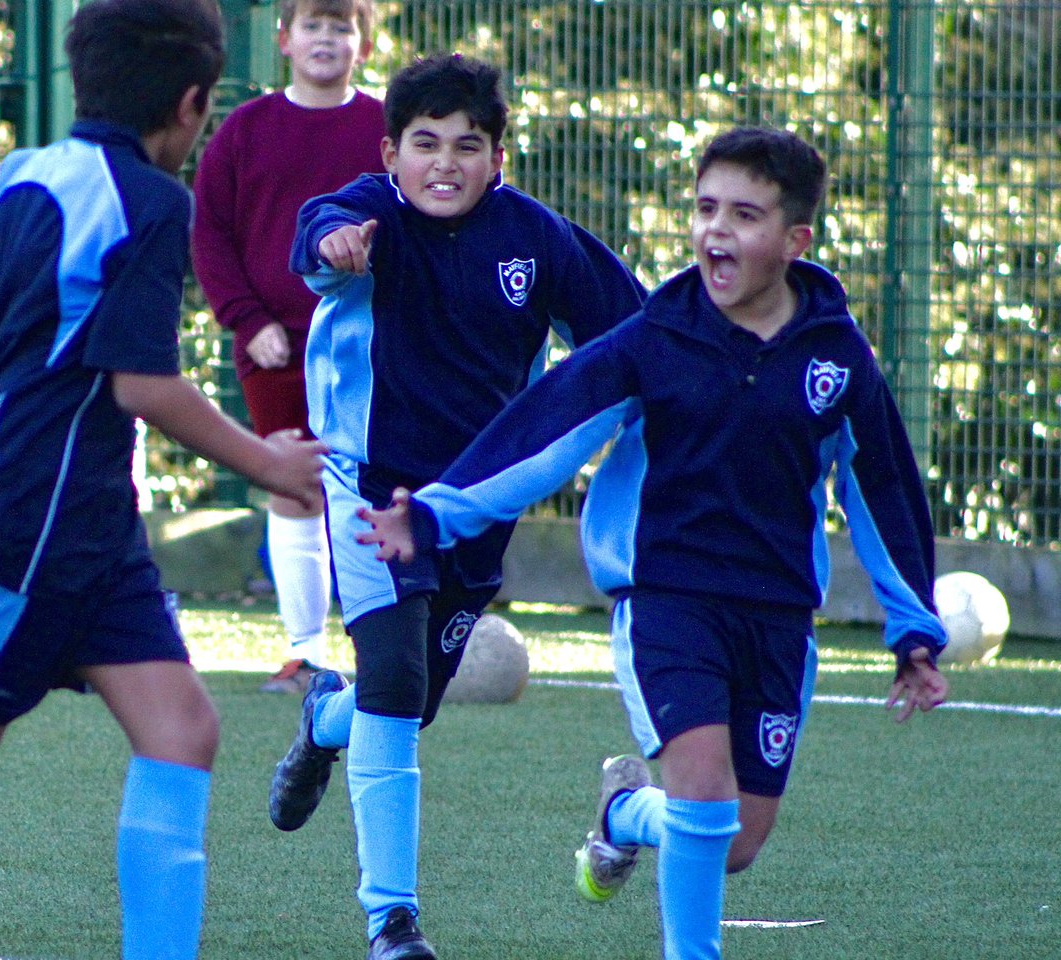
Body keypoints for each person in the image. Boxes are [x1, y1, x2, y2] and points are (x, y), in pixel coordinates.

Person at [356, 127, 951, 960]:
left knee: (736, 840)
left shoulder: (838, 356)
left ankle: (624, 813)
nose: (716, 231)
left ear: (795, 240)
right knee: (703, 797)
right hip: (668, 601)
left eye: (744, 215)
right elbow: (544, 430)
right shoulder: (655, 337)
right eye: (706, 208)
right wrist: (432, 516)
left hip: (778, 617)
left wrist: (913, 626)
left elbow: (883, 489)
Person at [0, 2, 326, 959]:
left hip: (88, 522)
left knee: (183, 730)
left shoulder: (21, 173)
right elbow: (141, 384)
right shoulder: (152, 202)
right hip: (30, 520)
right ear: (192, 105)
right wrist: (269, 461)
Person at [268, 53, 646, 960]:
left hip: (473, 511)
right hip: (369, 490)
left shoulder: (539, 239)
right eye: (424, 143)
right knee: (397, 685)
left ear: (498, 158)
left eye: (467, 146)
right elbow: (316, 233)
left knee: (405, 704)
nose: (444, 163)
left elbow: (632, 334)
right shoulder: (367, 215)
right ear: (391, 154)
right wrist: (333, 246)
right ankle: (391, 921)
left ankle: (324, 717)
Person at [193, 0, 385, 694]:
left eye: (341, 27)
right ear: (284, 40)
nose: (326, 38)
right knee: (296, 486)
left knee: (373, 487)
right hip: (274, 347)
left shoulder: (388, 127)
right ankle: (305, 653)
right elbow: (209, 233)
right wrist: (247, 321)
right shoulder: (245, 130)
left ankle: (385, 648)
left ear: (364, 45)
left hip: (371, 345)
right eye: (312, 25)